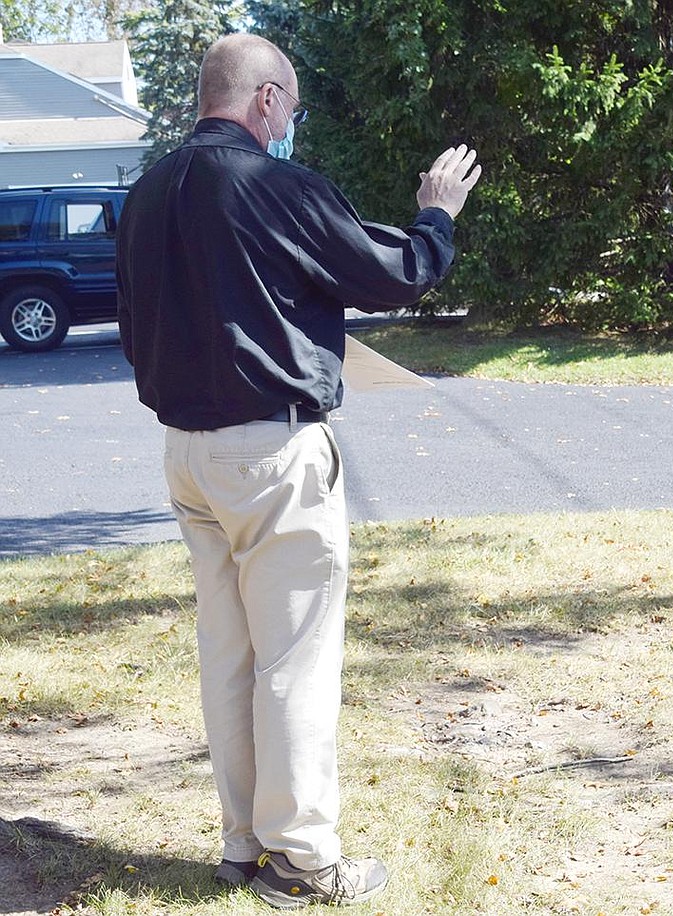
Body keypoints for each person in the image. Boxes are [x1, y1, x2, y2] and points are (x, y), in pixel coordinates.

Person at [116, 33, 480, 908]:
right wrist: (436, 213)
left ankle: (244, 843)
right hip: (271, 449)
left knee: (230, 653)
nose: (294, 123)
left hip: (185, 452)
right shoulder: (275, 185)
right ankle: (305, 861)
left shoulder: (147, 192)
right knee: (296, 660)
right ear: (268, 102)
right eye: (293, 107)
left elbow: (133, 326)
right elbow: (394, 274)